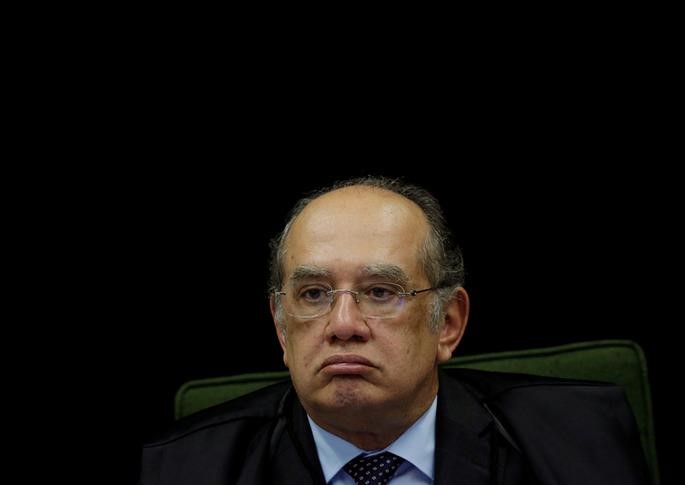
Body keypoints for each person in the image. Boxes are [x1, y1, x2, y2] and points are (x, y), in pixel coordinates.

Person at [138, 176, 651, 485]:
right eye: (313, 295)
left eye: (380, 292)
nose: (343, 326)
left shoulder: (580, 436)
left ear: (447, 324)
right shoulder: (176, 469)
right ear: (280, 328)